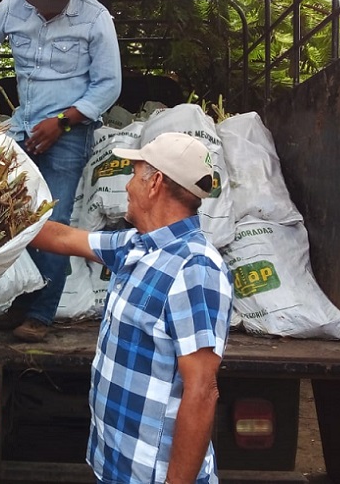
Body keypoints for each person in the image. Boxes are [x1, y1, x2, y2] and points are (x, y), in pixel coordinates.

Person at [30, 132, 234, 484]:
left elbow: (202, 392)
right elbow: (62, 237)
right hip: (117, 465)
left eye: (133, 173)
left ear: (154, 183)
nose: (126, 186)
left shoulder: (195, 270)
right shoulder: (135, 246)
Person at [0, 0, 122, 342]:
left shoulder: (96, 19)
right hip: (21, 128)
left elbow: (108, 85)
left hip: (68, 134)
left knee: (52, 224)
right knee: (3, 214)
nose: (43, 8)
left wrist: (62, 122)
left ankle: (41, 314)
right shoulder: (14, 6)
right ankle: (18, 301)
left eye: (54, 2)